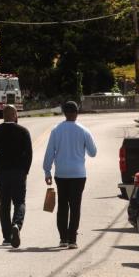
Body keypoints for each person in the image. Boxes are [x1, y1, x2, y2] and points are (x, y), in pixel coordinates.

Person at [43, 100, 97, 249]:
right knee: (75, 206)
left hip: (61, 174)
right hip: (78, 174)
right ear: (77, 113)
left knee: (62, 205)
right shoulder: (84, 130)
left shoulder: (56, 130)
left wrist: (47, 171)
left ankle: (63, 239)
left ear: (64, 113)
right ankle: (73, 239)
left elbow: (49, 153)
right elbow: (93, 153)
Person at [0, 105, 32, 248]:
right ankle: (16, 225)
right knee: (19, 202)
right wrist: (25, 170)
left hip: (1, 173)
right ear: (15, 115)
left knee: (4, 204)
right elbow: (29, 154)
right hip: (18, 172)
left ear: (3, 116)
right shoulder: (23, 131)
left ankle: (6, 237)